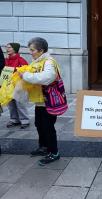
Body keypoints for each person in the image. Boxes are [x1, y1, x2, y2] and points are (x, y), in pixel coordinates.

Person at [18, 37, 61, 165]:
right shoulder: (36, 61)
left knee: (48, 127)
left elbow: (47, 77)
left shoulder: (49, 61)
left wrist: (25, 75)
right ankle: (43, 147)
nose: (30, 52)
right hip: (40, 101)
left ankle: (54, 153)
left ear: (41, 50)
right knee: (39, 124)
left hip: (48, 101)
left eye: (32, 50)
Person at [5, 43, 30, 129]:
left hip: (19, 85)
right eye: (7, 47)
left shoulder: (21, 60)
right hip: (8, 85)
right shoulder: (6, 60)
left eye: (9, 47)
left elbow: (26, 73)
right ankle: (14, 119)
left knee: (20, 102)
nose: (7, 49)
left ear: (14, 49)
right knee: (10, 103)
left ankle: (25, 120)